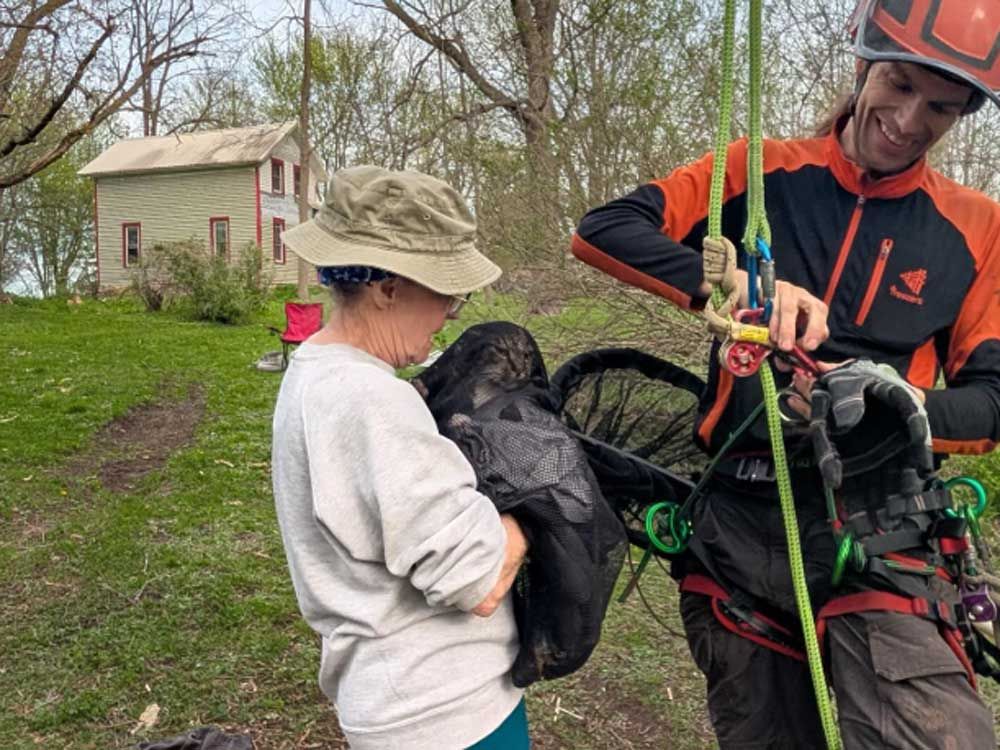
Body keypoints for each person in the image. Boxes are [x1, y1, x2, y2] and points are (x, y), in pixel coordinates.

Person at [571, 1, 1000, 747]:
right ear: (864, 66)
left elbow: (992, 405)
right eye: (898, 85)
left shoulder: (976, 228)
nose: (908, 120)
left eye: (940, 107)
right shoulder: (758, 172)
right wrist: (733, 281)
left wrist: (888, 400)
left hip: (880, 525)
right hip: (739, 520)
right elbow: (603, 229)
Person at [271, 165, 530, 750]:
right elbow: (478, 579)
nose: (448, 315)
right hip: (445, 713)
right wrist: (537, 506)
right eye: (446, 296)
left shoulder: (313, 371)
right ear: (387, 288)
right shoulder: (372, 400)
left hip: (392, 698)